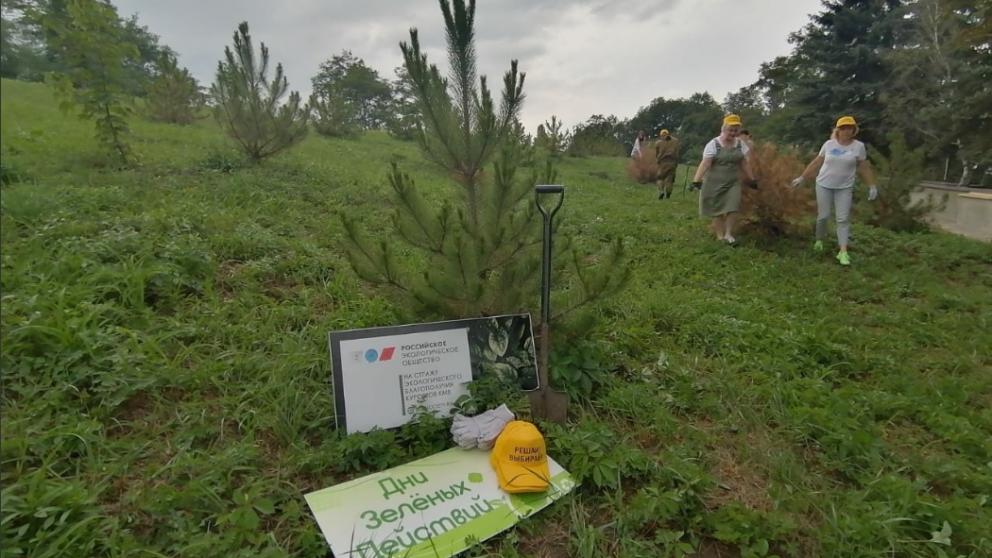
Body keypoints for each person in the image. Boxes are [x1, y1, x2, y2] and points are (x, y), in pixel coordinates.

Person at [791, 115, 879, 266]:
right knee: (823, 216)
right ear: (838, 130)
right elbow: (816, 162)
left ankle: (843, 251)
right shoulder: (829, 144)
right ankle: (819, 240)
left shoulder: (858, 147)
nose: (846, 131)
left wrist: (872, 185)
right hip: (824, 184)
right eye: (843, 128)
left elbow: (864, 167)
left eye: (849, 128)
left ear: (854, 130)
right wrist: (802, 178)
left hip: (844, 187)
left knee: (842, 219)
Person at [691, 114, 757, 244]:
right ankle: (720, 236)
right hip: (714, 183)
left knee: (733, 207)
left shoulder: (740, 144)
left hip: (733, 182)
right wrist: (696, 180)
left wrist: (752, 179)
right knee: (717, 209)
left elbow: (744, 163)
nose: (733, 133)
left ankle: (728, 234)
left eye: (735, 130)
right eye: (730, 130)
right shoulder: (713, 144)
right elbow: (705, 163)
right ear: (724, 129)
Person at [654, 129, 680, 200]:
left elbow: (656, 154)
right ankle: (668, 196)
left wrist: (657, 161)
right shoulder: (676, 141)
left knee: (660, 178)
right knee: (670, 180)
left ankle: (661, 191)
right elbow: (677, 153)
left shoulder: (658, 143)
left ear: (661, 135)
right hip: (672, 163)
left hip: (663, 163)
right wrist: (676, 163)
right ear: (668, 134)